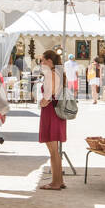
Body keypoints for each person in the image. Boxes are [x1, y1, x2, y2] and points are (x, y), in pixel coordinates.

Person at [38, 49, 66, 190]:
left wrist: (41, 102)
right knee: (54, 150)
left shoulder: (51, 74)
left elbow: (48, 96)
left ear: (49, 61)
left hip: (51, 112)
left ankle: (55, 182)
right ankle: (58, 180)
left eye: (42, 60)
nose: (41, 62)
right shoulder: (59, 72)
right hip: (56, 112)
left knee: (53, 150)